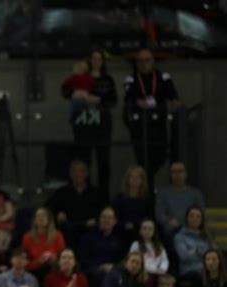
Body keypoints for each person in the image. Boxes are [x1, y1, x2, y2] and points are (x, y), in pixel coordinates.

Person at [62, 51, 117, 204]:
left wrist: (98, 100)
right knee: (83, 160)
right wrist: (77, 94)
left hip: (102, 124)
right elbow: (66, 91)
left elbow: (112, 100)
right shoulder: (80, 76)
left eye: (99, 59)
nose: (96, 61)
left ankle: (103, 199)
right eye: (93, 58)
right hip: (83, 123)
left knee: (103, 162)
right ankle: (84, 197)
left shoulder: (107, 79)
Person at [124, 48, 181, 189]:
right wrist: (138, 102)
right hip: (140, 126)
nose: (144, 64)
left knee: (160, 156)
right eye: (141, 61)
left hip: (158, 125)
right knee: (143, 159)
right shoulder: (131, 78)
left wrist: (176, 105)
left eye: (147, 60)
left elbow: (173, 97)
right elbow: (129, 99)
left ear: (153, 61)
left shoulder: (163, 77)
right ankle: (147, 190)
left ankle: (147, 183)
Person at [45, 160, 101, 249]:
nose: (78, 174)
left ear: (86, 174)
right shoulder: (62, 192)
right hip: (68, 231)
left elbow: (104, 211)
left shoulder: (95, 193)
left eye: (81, 171)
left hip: (89, 230)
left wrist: (97, 220)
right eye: (74, 171)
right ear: (70, 174)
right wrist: (57, 215)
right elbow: (47, 209)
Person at [79, 207, 125, 287]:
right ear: (99, 219)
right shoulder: (88, 238)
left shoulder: (118, 241)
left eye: (110, 218)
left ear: (114, 222)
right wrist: (100, 267)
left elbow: (121, 261)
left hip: (112, 272)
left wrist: (112, 267)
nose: (106, 220)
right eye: (104, 217)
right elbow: (83, 260)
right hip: (93, 271)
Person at [156, 161, 205, 238]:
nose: (177, 174)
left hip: (191, 230)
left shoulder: (195, 193)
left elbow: (201, 212)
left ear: (186, 174)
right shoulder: (163, 193)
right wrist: (168, 221)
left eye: (180, 171)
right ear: (170, 175)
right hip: (171, 231)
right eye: (173, 172)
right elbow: (159, 214)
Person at [22, 207, 66, 282]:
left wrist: (54, 259)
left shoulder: (57, 235)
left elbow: (63, 258)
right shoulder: (27, 237)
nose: (41, 218)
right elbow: (25, 262)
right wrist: (38, 262)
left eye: (44, 215)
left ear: (49, 219)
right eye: (38, 215)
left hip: (53, 269)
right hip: (34, 272)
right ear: (34, 220)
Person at [112, 166, 152, 239]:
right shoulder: (119, 198)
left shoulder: (147, 199)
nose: (135, 180)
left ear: (142, 180)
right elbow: (114, 218)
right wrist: (125, 225)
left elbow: (149, 218)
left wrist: (135, 225)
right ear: (127, 179)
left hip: (141, 233)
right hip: (121, 232)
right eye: (132, 177)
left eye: (138, 177)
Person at [174, 206, 211, 277]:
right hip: (189, 272)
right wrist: (200, 251)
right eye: (191, 216)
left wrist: (194, 250)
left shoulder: (205, 237)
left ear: (201, 220)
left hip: (205, 271)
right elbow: (184, 256)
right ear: (187, 218)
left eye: (198, 217)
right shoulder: (180, 237)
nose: (195, 219)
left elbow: (209, 256)